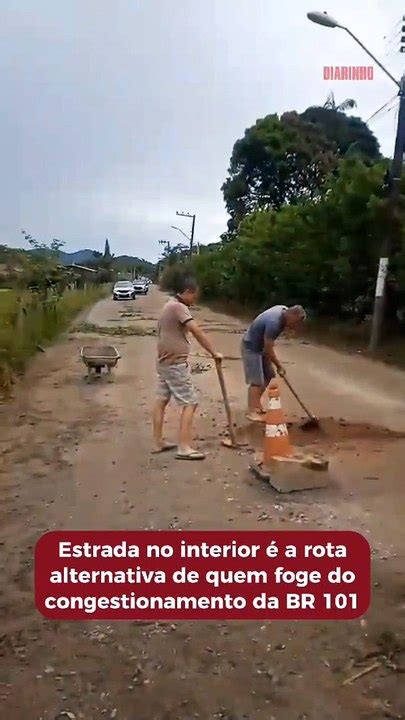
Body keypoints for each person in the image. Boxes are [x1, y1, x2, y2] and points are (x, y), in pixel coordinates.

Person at [153, 276, 223, 460]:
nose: (195, 300)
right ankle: (184, 447)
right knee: (190, 402)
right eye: (194, 296)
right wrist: (214, 352)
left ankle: (159, 442)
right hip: (173, 363)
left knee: (161, 400)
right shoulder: (178, 307)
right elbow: (196, 330)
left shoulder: (169, 305)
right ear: (187, 292)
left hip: (164, 361)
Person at [241, 304, 306, 422]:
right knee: (256, 381)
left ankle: (256, 404)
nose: (295, 326)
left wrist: (288, 329)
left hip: (260, 347)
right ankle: (251, 411)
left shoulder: (283, 310)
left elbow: (267, 346)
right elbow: (268, 347)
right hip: (251, 347)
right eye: (295, 322)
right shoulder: (274, 322)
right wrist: (279, 366)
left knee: (269, 375)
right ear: (291, 315)